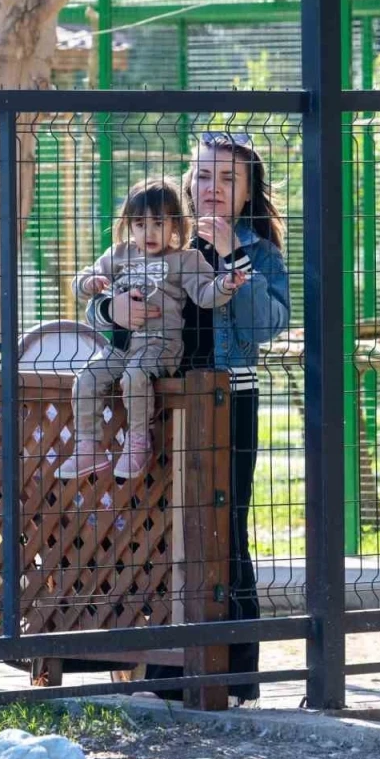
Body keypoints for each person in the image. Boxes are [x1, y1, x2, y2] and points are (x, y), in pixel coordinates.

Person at [85, 131, 291, 704]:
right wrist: (109, 307)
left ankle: (231, 673)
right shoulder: (158, 238)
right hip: (156, 397)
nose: (213, 189)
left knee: (224, 529)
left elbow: (263, 327)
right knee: (160, 526)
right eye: (203, 176)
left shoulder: (259, 249)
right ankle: (163, 672)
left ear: (249, 190)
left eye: (228, 179)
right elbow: (101, 296)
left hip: (228, 401)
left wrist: (232, 259)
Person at [57, 178, 248, 481]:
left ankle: (137, 444)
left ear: (175, 225)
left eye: (158, 223)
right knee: (87, 378)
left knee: (135, 376)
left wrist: (225, 284)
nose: (149, 232)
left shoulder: (186, 259)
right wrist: (89, 283)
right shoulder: (118, 254)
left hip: (161, 345)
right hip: (120, 346)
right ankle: (88, 445)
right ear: (129, 225)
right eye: (140, 224)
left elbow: (205, 294)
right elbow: (81, 280)